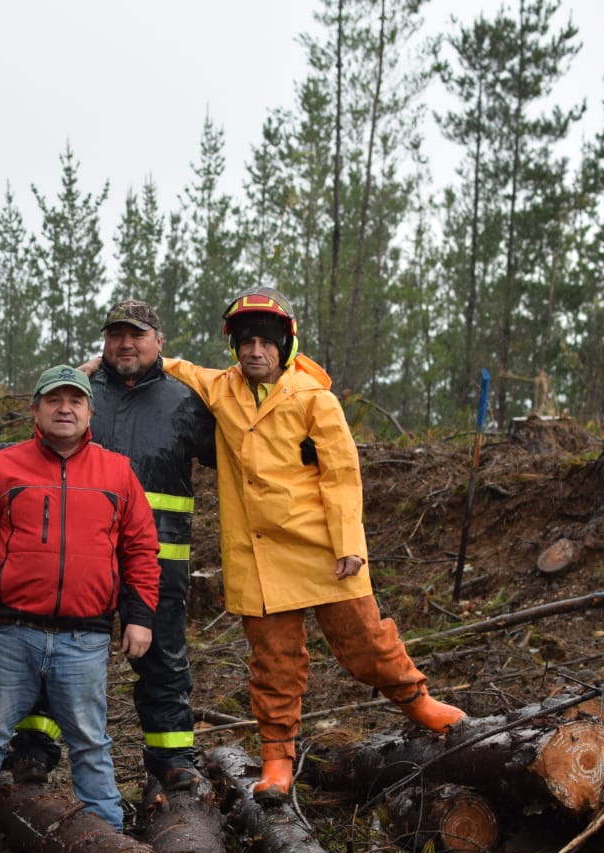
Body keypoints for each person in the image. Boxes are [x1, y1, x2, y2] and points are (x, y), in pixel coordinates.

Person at [159, 286, 464, 800]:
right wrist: (109, 359)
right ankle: (277, 759)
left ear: (285, 344)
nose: (255, 351)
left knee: (365, 640)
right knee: (274, 662)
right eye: (246, 342)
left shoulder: (314, 398)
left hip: (323, 548)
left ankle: (419, 702)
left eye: (266, 342)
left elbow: (342, 474)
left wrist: (349, 542)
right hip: (258, 556)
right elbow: (178, 368)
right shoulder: (222, 389)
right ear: (234, 346)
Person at [0, 365, 161, 849]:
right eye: (54, 400)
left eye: (75, 401)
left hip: (85, 637)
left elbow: (141, 550)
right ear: (35, 410)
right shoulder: (4, 467)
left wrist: (140, 616)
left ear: (89, 412)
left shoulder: (116, 472)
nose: (65, 409)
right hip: (11, 631)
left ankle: (107, 833)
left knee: (90, 738)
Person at [17, 300, 217, 792]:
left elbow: (238, 456)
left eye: (138, 334)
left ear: (159, 340)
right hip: (80, 561)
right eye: (117, 335)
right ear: (105, 341)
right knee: (51, 653)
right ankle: (32, 752)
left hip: (157, 563)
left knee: (163, 661)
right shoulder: (80, 396)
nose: (126, 344)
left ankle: (172, 760)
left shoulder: (186, 402)